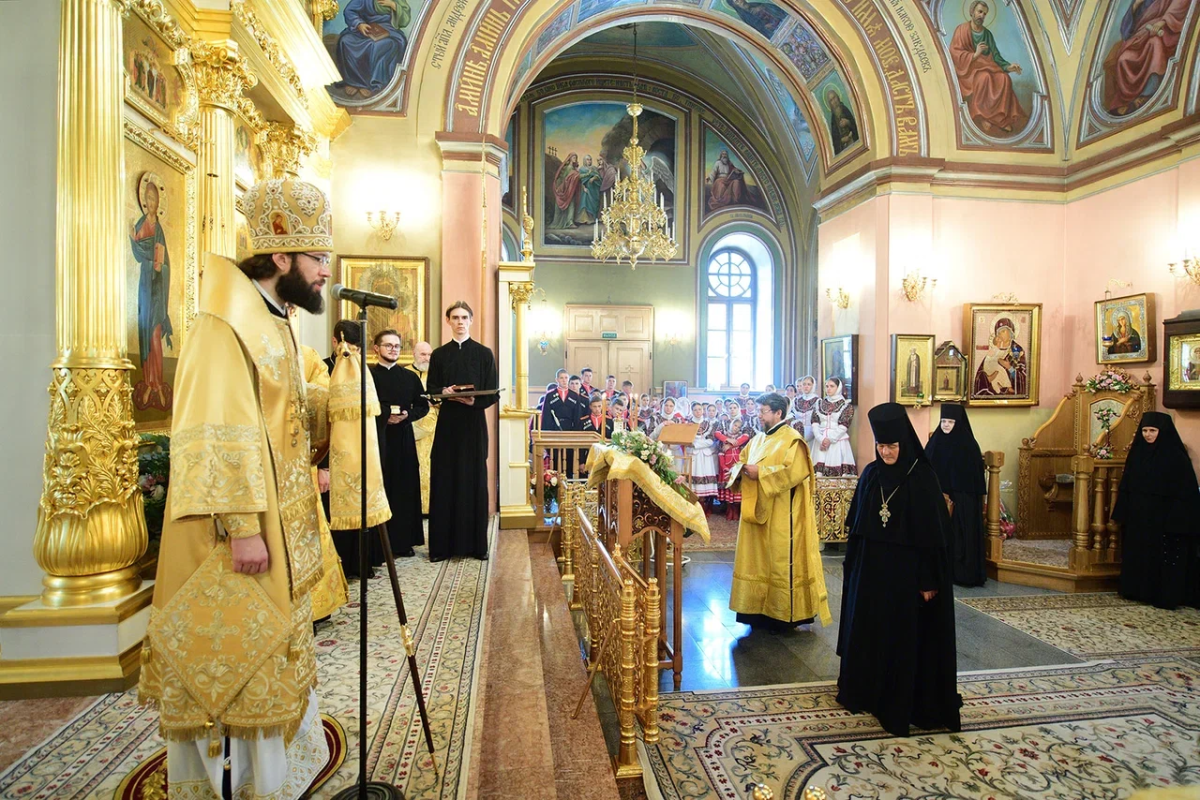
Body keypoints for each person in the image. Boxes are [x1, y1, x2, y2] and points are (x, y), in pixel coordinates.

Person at [140, 178, 350, 797]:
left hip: (276, 523)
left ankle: (273, 774)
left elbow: (279, 415)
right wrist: (241, 528)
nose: (325, 272)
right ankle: (237, 781)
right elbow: (214, 429)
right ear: (281, 255)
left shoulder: (274, 317)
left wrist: (340, 395)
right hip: (234, 534)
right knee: (235, 661)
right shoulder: (223, 322)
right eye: (317, 259)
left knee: (269, 653)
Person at [837, 403, 962, 738]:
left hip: (907, 578)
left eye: (892, 446)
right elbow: (857, 529)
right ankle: (867, 692)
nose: (886, 452)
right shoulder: (871, 475)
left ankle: (899, 701)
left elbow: (934, 539)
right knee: (871, 633)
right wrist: (853, 571)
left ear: (903, 443)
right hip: (871, 575)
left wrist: (928, 579)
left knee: (901, 640)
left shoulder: (922, 478)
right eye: (881, 446)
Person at [729, 393, 831, 631]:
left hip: (782, 514)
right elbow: (742, 461)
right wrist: (740, 471)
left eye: (763, 411)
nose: (759, 415)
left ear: (778, 413)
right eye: (759, 410)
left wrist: (761, 473)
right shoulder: (758, 439)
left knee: (778, 560)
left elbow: (795, 472)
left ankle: (781, 615)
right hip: (756, 510)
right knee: (756, 559)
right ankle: (755, 611)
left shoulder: (792, 440)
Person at [427, 301, 499, 561]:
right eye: (455, 317)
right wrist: (443, 392)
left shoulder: (484, 354)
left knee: (473, 480)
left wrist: (472, 402)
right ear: (448, 321)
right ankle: (441, 548)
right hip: (447, 426)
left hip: (473, 424)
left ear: (471, 321)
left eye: (464, 317)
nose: (460, 322)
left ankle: (476, 546)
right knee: (444, 480)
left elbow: (492, 392)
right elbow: (431, 388)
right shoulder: (439, 355)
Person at [1113, 411, 1200, 609]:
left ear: (1162, 431)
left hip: (1164, 518)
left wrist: (1175, 518)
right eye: (1144, 430)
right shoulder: (1138, 454)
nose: (1148, 435)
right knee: (1140, 553)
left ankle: (1161, 594)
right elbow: (1127, 485)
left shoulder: (1176, 457)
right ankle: (1136, 590)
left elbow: (1185, 492)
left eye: (1152, 430)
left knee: (1161, 557)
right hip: (1139, 516)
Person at [301, 345, 350, 623]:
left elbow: (323, 410)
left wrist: (322, 465)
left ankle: (316, 606)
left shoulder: (306, 357)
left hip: (300, 464)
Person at [371, 329, 429, 558]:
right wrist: (385, 416)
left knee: (404, 488)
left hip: (404, 439)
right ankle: (379, 544)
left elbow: (422, 406)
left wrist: (407, 416)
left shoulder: (410, 377)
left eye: (396, 346)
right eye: (388, 345)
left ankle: (403, 542)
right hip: (378, 440)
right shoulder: (368, 377)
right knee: (382, 487)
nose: (393, 349)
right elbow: (363, 407)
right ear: (376, 349)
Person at [925, 404, 988, 586]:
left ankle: (962, 573)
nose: (946, 425)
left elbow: (971, 479)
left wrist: (955, 494)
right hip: (939, 499)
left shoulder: (968, 446)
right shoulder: (935, 442)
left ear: (958, 423)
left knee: (961, 536)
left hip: (962, 501)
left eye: (950, 422)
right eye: (943, 421)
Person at [949, 0, 1027, 135]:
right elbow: (954, 53)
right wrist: (975, 55)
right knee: (984, 77)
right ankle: (983, 116)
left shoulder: (987, 34)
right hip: (967, 72)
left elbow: (996, 56)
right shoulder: (961, 30)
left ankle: (998, 117)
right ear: (972, 12)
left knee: (1004, 78)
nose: (982, 16)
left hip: (986, 66)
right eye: (980, 12)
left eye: (984, 14)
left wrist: (1009, 67)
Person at [1103, 0, 1190, 116]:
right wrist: (1135, 5)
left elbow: (1182, 3)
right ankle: (1128, 99)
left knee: (1154, 44)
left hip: (1167, 31)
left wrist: (1163, 21)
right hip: (1143, 34)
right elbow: (1126, 32)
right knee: (1123, 58)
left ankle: (1149, 93)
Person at [130, 179, 173, 411]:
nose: (151, 202)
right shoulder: (141, 224)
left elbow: (166, 264)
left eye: (154, 199)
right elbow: (138, 252)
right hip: (145, 286)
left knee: (155, 334)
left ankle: (157, 383)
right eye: (148, 198)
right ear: (145, 202)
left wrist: (160, 268)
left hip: (158, 290)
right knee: (146, 332)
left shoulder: (160, 230)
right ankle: (148, 383)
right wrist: (132, 239)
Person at [333, 0, 411, 98]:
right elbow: (349, 10)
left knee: (382, 45)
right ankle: (353, 81)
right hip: (366, 28)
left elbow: (405, 19)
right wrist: (359, 24)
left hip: (389, 31)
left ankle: (372, 84)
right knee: (346, 40)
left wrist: (393, 5)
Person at [405, 341, 437, 515]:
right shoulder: (405, 374)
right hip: (410, 426)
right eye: (423, 354)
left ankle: (431, 507)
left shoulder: (437, 375)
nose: (427, 358)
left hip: (433, 429)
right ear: (414, 354)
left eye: (429, 355)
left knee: (431, 467)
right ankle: (414, 508)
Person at [813, 378, 857, 476]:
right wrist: (820, 438)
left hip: (837, 441)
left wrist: (829, 439)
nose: (828, 389)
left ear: (838, 388)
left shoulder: (845, 405)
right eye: (827, 386)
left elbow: (844, 425)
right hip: (820, 440)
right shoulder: (819, 403)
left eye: (832, 386)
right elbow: (815, 422)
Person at [715, 416, 751, 520]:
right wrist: (723, 467)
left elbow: (745, 440)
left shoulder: (741, 438)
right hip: (726, 466)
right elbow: (721, 453)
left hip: (737, 466)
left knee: (737, 488)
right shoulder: (725, 437)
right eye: (735, 425)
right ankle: (729, 509)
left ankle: (736, 510)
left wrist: (731, 445)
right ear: (731, 425)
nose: (736, 428)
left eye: (739, 427)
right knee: (728, 488)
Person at [689, 401, 720, 504]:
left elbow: (711, 440)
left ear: (703, 411)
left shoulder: (709, 424)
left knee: (706, 485)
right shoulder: (688, 423)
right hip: (693, 455)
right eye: (695, 410)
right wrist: (693, 444)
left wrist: (695, 444)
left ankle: (705, 506)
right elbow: (687, 439)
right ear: (692, 411)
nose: (698, 412)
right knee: (693, 483)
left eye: (699, 409)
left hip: (706, 455)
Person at [826, 88, 861, 153]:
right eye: (831, 100)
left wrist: (848, 122)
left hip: (853, 141)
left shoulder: (845, 109)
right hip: (844, 148)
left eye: (834, 98)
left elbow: (856, 125)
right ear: (830, 104)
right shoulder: (833, 119)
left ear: (837, 97)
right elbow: (835, 139)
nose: (834, 101)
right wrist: (842, 140)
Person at [792, 375, 819, 446]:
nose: (806, 387)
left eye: (809, 384)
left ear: (813, 386)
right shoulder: (796, 400)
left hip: (812, 433)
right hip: (797, 433)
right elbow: (792, 415)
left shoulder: (817, 401)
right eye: (804, 384)